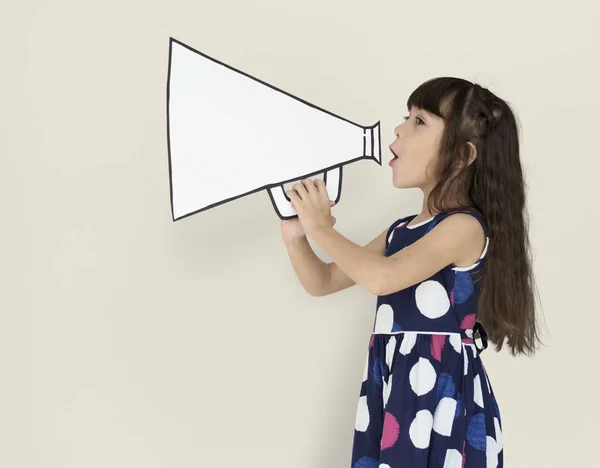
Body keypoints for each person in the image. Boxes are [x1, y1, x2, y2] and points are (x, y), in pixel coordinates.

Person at [280, 77, 543, 468]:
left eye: (420, 121)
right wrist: (297, 235)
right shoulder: (400, 231)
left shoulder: (463, 227)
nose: (399, 129)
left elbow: (384, 278)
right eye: (407, 117)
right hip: (395, 389)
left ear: (461, 156)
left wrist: (323, 229)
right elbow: (324, 281)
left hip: (439, 396)